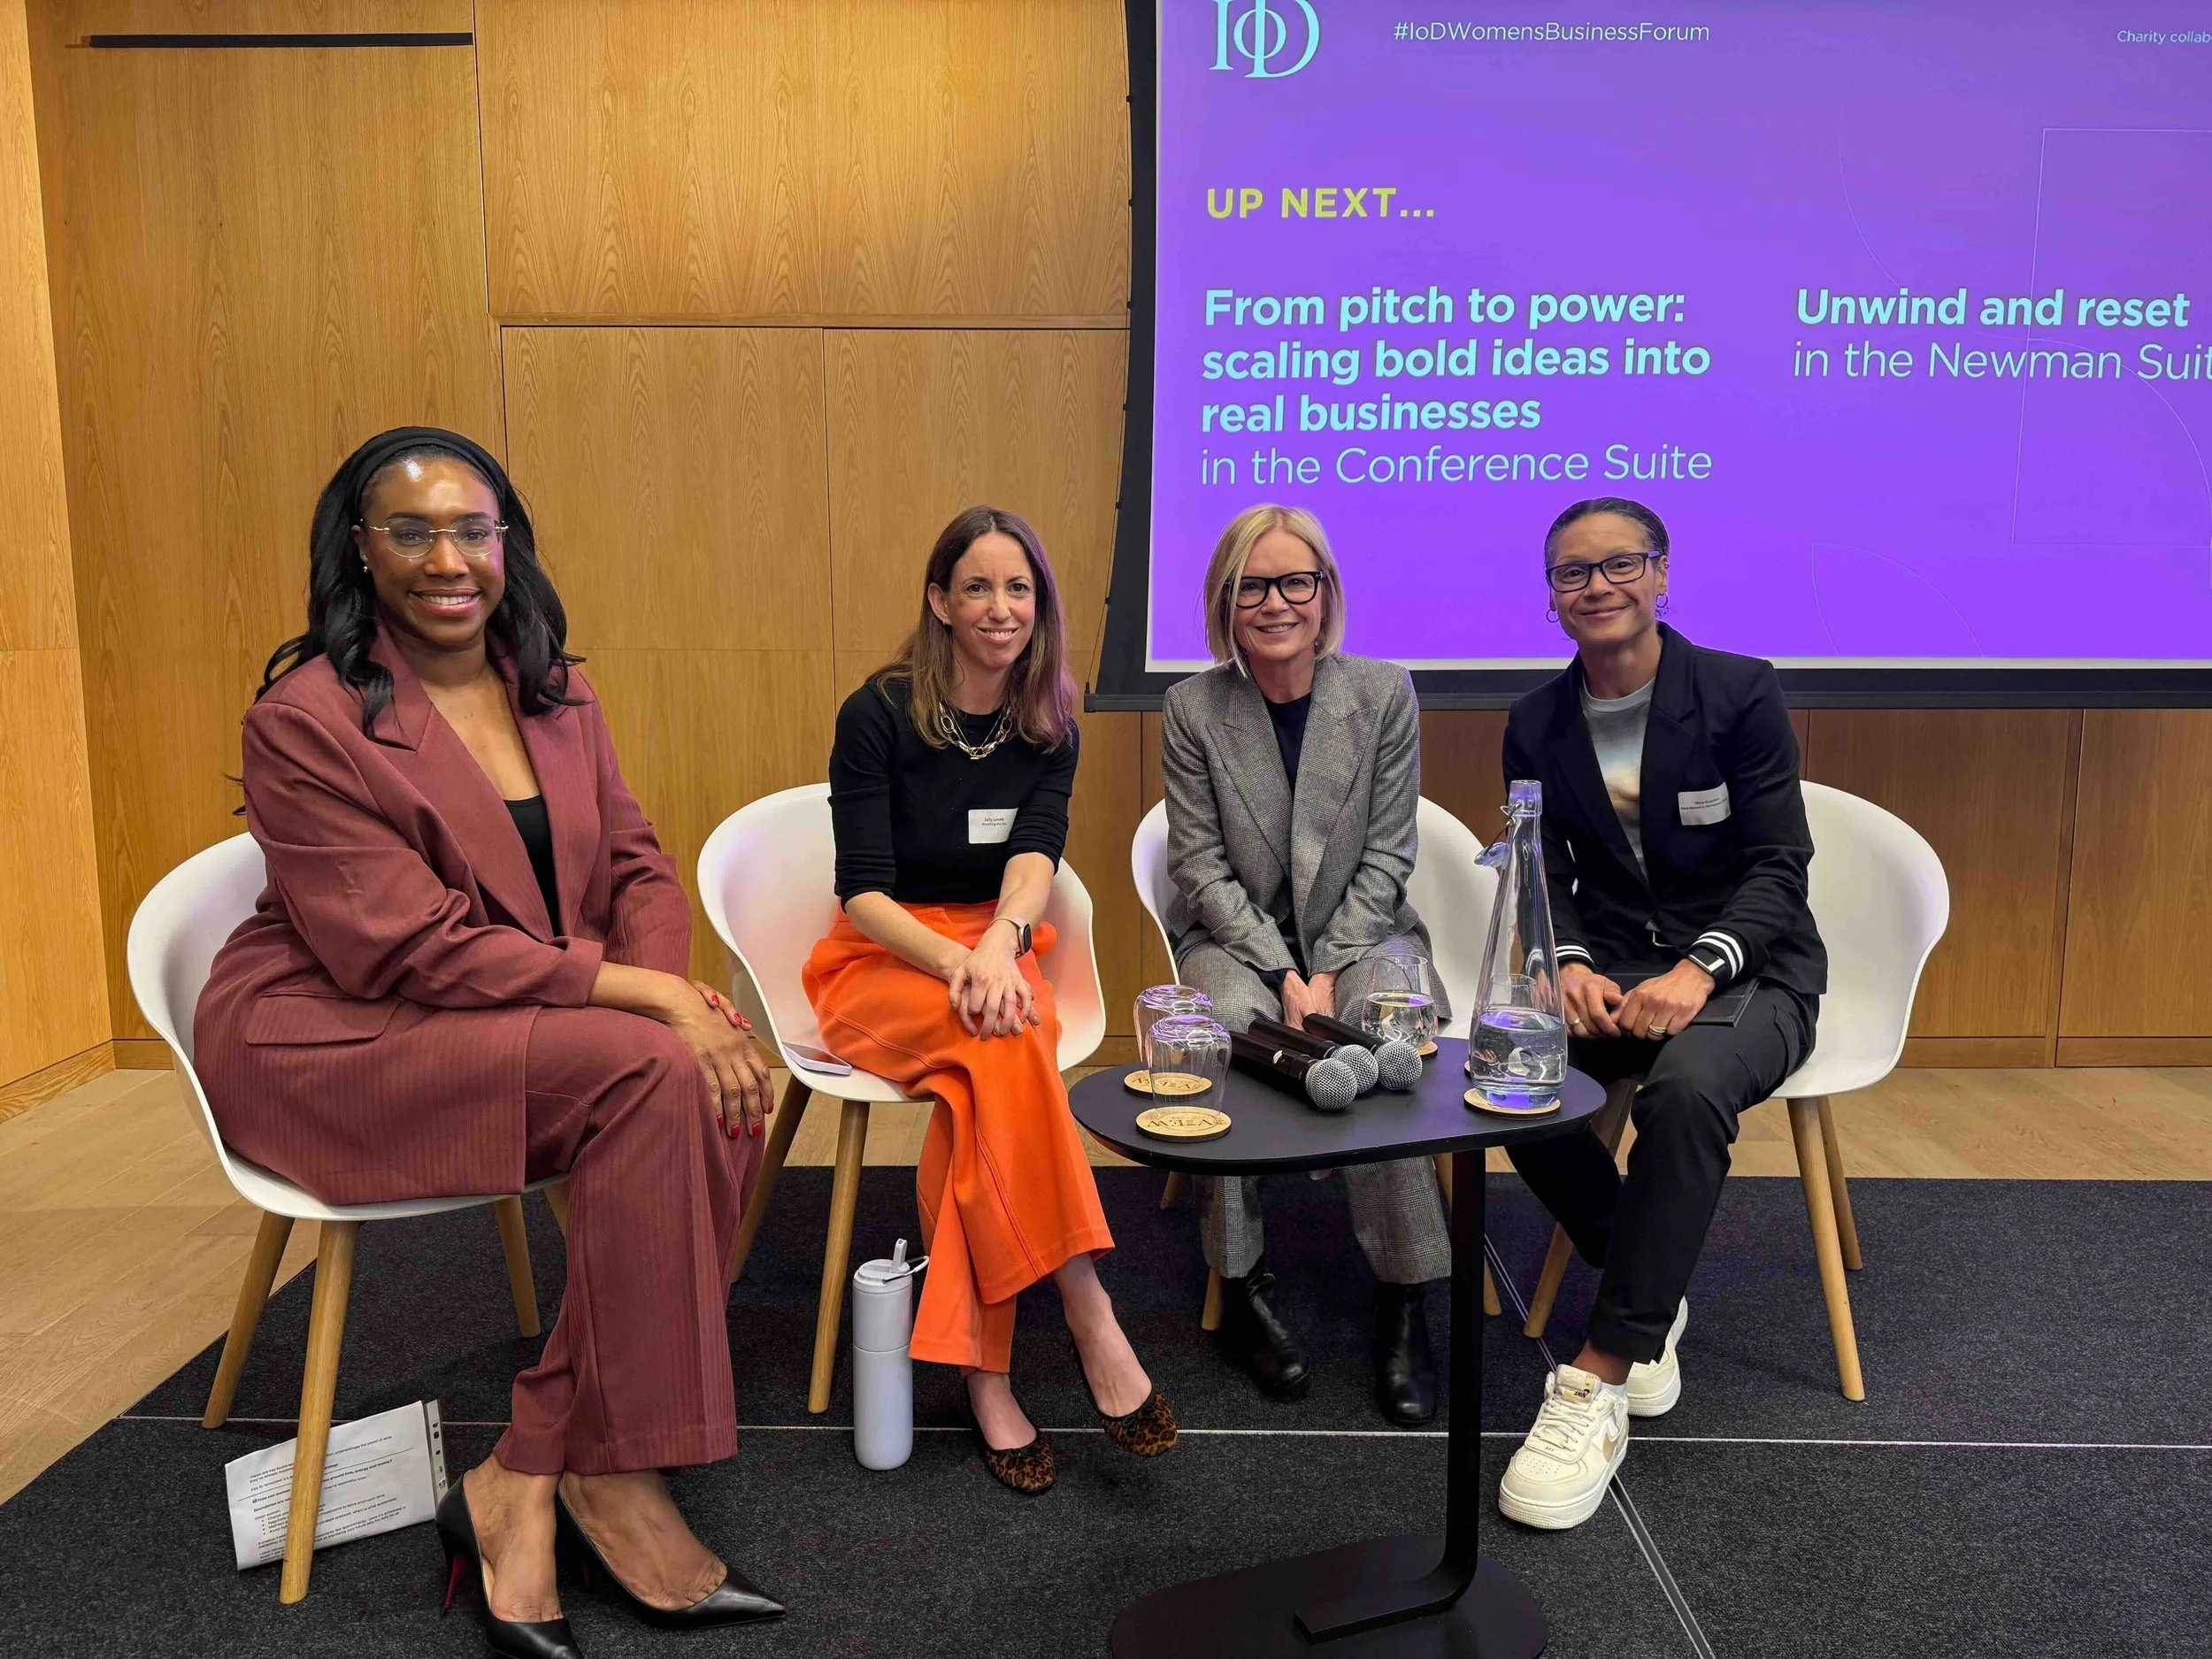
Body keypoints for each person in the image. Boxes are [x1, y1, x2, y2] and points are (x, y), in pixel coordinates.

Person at [196, 428, 783, 1657]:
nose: (449, 557)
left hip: (504, 1011)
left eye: (474, 527)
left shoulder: (558, 691)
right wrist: (644, 1005)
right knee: (658, 1063)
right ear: (358, 549)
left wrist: (663, 991)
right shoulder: (303, 720)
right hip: (335, 1035)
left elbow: (637, 864)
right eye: (411, 530)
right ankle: (601, 1476)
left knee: (707, 1080)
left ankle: (534, 1468)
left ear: (506, 541)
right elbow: (401, 948)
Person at [803, 504, 1174, 1494]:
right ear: (939, 599)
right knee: (1005, 1054)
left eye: (1018, 588)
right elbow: (864, 890)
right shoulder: (877, 712)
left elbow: (1033, 854)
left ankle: (985, 1374)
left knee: (982, 1092)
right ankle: (1088, 1307)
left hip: (997, 948)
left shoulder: (1050, 715)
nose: (999, 607)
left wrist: (1001, 947)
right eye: (977, 586)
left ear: (1039, 604)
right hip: (883, 957)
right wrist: (958, 964)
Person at [1494, 496, 1825, 1531]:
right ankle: (1652, 1282)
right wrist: (1577, 964)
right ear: (1550, 600)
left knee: (1681, 1099)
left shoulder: (1736, 692)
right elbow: (1541, 865)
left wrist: (1700, 969)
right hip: (1620, 970)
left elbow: (1780, 868)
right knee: (1506, 1075)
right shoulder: (1535, 721)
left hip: (1754, 971)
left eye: (1618, 564)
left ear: (1661, 574)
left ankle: (1598, 1373)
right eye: (1570, 574)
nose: (1596, 586)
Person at [1159, 503, 1451, 1426]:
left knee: (1386, 1024)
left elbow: (1389, 857)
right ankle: (1239, 1287)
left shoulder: (1383, 692)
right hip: (1237, 939)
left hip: (1363, 936)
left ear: (1325, 596)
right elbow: (1198, 865)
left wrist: (1324, 968)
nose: (1276, 602)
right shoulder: (1191, 708)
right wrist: (1281, 970)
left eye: (1296, 582)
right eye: (1253, 585)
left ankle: (1404, 1297)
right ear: (1225, 602)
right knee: (1212, 1027)